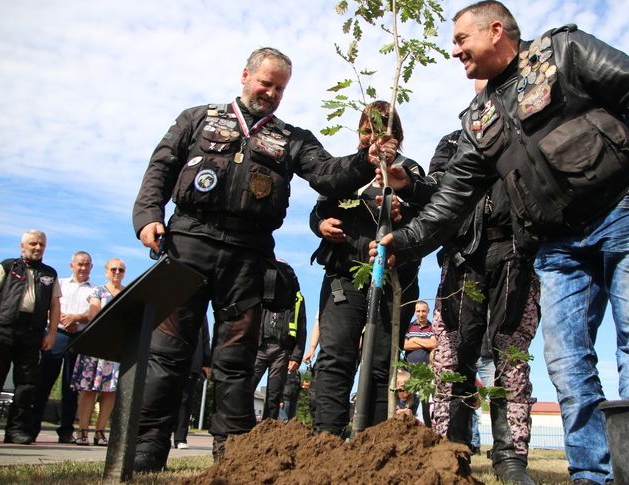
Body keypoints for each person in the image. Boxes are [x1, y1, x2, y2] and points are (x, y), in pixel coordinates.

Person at [372, 0, 629, 485]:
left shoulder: (565, 51)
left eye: (460, 39)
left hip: (626, 209)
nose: (454, 51)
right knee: (566, 359)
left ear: (496, 30)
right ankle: (591, 475)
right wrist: (406, 240)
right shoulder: (478, 120)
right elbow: (451, 198)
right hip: (557, 244)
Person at [131, 47, 396, 472]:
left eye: (279, 88)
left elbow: (328, 174)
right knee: (169, 349)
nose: (270, 93)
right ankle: (148, 444)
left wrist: (366, 160)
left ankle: (233, 450)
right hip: (188, 241)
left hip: (249, 253)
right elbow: (161, 167)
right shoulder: (197, 118)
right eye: (265, 83)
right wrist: (148, 216)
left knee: (236, 357)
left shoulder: (292, 138)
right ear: (245, 75)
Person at [390, 97, 541, 484]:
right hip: (462, 259)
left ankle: (510, 457)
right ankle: (450, 453)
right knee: (451, 357)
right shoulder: (453, 141)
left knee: (510, 354)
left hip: (515, 254)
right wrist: (410, 184)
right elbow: (438, 189)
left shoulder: (528, 131)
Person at [309, 100, 424, 437]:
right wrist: (320, 225)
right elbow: (319, 209)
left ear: (397, 136)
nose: (372, 138)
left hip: (393, 281)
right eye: (366, 131)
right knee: (336, 356)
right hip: (344, 275)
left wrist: (402, 219)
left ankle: (371, 441)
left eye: (381, 132)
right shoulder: (346, 169)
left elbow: (430, 220)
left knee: (380, 362)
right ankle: (327, 439)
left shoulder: (410, 172)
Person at [0, 230, 60, 444]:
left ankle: (17, 431)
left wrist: (51, 333)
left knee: (27, 385)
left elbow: (55, 305)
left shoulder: (49, 273)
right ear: (22, 245)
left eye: (41, 245)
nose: (37, 248)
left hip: (32, 332)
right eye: (33, 244)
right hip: (4, 329)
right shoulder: (7, 266)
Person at [32, 250, 94, 444]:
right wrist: (62, 320)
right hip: (57, 335)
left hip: (79, 337)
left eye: (87, 264)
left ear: (91, 267)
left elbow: (94, 313)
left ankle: (66, 430)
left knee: (71, 386)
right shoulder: (60, 284)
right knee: (44, 381)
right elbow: (48, 306)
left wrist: (77, 318)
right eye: (80, 264)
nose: (83, 268)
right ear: (72, 265)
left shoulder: (94, 290)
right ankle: (31, 427)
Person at [70, 258, 126, 446]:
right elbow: (94, 314)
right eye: (113, 269)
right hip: (95, 345)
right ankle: (82, 430)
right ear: (106, 271)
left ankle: (100, 431)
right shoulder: (98, 291)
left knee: (110, 390)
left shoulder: (127, 292)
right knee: (88, 389)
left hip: (115, 347)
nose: (117, 272)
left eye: (121, 270)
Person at [252, 260, 306, 420]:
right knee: (247, 385)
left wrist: (297, 356)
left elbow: (302, 328)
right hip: (259, 347)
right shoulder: (261, 291)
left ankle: (267, 427)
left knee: (274, 393)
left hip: (281, 351)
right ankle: (241, 424)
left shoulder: (297, 298)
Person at [173, 319, 211, 449]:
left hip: (192, 360)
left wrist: (206, 362)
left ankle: (180, 438)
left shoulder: (201, 313)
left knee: (185, 400)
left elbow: (205, 338)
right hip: (169, 356)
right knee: (163, 396)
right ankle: (157, 435)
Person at [403, 300, 435, 426]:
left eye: (423, 311)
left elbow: (433, 344)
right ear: (415, 312)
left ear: (428, 311)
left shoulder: (432, 327)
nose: (421, 314)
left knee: (426, 404)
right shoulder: (409, 326)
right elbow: (405, 345)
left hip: (426, 373)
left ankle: (428, 430)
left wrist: (415, 339)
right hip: (409, 371)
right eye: (418, 311)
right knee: (409, 403)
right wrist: (424, 343)